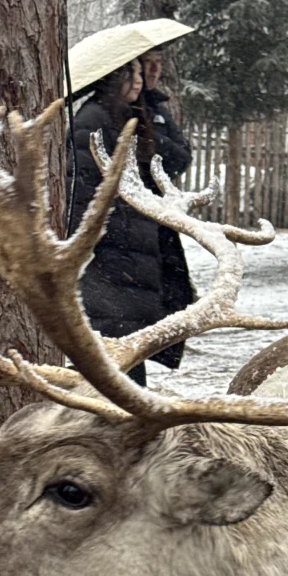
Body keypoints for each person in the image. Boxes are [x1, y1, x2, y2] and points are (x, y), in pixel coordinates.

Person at [67, 57, 194, 384]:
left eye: (141, 72)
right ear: (113, 76)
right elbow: (83, 190)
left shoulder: (134, 115)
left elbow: (176, 160)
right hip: (111, 256)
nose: (139, 79)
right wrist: (104, 237)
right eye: (131, 72)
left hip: (138, 251)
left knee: (130, 346)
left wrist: (152, 107)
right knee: (114, 345)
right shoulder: (92, 120)